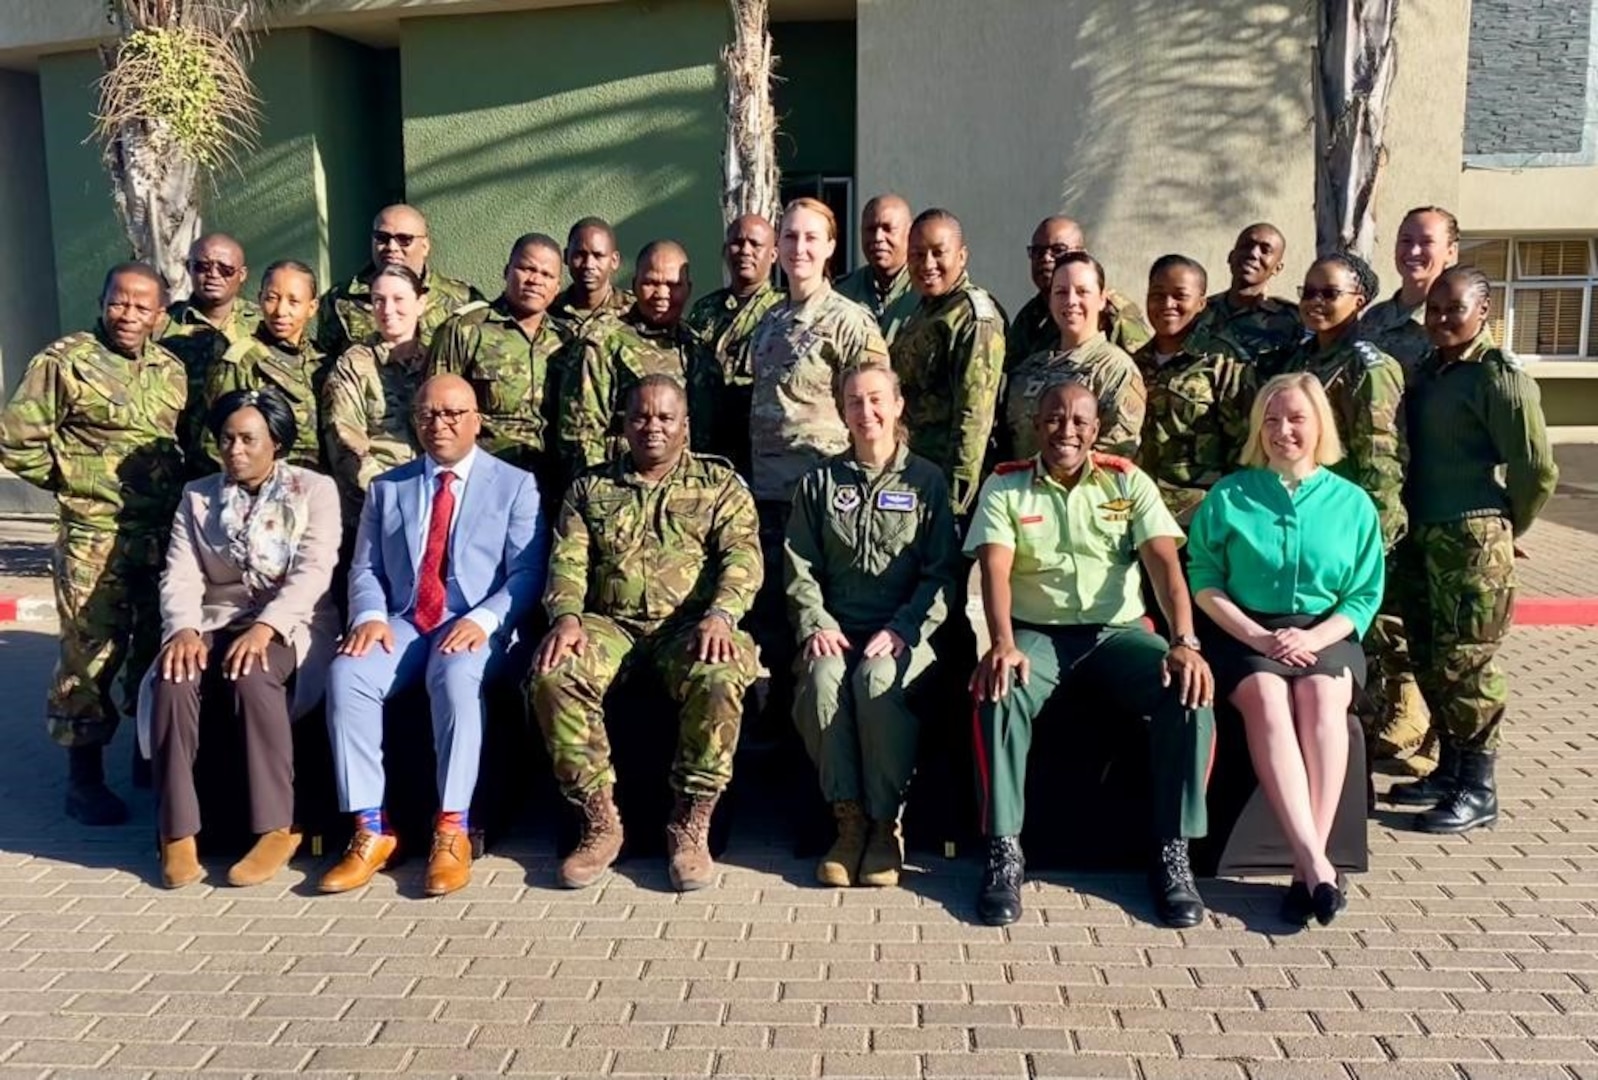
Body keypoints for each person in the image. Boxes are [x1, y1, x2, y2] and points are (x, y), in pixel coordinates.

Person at [967, 381, 1215, 928]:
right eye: (1054, 419)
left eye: (1079, 421)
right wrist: (1002, 643)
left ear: (1097, 429)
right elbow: (996, 571)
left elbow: (1164, 565)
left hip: (1118, 634)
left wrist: (1184, 642)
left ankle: (1173, 855)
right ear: (1038, 425)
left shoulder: (1128, 480)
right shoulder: (1007, 485)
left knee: (1192, 694)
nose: (1067, 431)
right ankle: (1004, 852)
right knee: (997, 689)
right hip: (1038, 634)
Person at [528, 375, 762, 892]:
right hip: (610, 624)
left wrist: (723, 614)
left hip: (691, 626)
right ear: (624, 423)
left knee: (721, 673)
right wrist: (566, 615)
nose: (651, 427)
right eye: (640, 417)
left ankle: (691, 822)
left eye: (664, 418)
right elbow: (567, 562)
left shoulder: (719, 484)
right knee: (554, 673)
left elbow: (742, 557)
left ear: (685, 425)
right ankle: (599, 820)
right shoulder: (592, 487)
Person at [319, 374, 547, 897]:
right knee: (348, 673)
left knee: (455, 671)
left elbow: (527, 573)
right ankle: (370, 828)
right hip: (407, 620)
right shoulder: (388, 487)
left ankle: (452, 829)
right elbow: (365, 568)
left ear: (476, 421)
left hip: (478, 623)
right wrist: (370, 616)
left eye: (451, 414)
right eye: (427, 414)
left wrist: (484, 620)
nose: (438, 424)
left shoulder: (514, 484)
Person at [1188, 373, 1385, 925]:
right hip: (1245, 633)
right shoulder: (1230, 496)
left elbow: (1364, 593)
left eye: (1296, 418)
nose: (1283, 431)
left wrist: (1314, 637)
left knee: (1322, 699)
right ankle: (1319, 866)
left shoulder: (1353, 504)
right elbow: (1204, 578)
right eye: (1271, 420)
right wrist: (1257, 636)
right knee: (1270, 701)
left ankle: (1308, 866)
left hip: (1327, 633)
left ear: (1318, 424)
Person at [0, 262, 187, 826]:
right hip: (93, 537)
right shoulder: (65, 361)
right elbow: (17, 441)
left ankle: (145, 761)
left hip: (157, 535)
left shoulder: (171, 369)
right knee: (91, 655)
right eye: (118, 302)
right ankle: (84, 780)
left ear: (160, 314)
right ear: (103, 301)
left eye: (141, 306)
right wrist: (77, 481)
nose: (128, 314)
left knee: (154, 650)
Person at [147, 388, 341, 889]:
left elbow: (314, 571)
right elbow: (181, 574)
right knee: (174, 676)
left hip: (292, 621)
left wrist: (266, 627)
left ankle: (276, 827)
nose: (235, 451)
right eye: (226, 440)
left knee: (252, 671)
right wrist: (184, 629)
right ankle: (178, 832)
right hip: (216, 617)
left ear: (276, 441)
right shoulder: (198, 495)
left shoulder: (314, 490)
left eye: (248, 440)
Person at [1387, 267, 1557, 834]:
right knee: (1431, 655)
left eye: (1452, 309)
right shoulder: (1430, 371)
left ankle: (1479, 789)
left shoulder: (1497, 377)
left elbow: (1536, 468)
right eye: (1433, 309)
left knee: (1468, 664)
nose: (1439, 319)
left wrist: (1507, 526)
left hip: (1472, 537)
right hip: (1422, 536)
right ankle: (1450, 768)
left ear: (1483, 311)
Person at [785, 363, 959, 887]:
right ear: (842, 410)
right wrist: (814, 621)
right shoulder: (820, 482)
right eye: (856, 402)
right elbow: (799, 565)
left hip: (902, 631)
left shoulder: (926, 481)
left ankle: (886, 825)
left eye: (877, 400)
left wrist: (905, 627)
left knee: (876, 680)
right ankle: (849, 823)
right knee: (823, 681)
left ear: (898, 405)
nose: (867, 412)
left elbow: (941, 574)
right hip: (836, 628)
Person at [747, 197, 890, 737]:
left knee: (823, 633)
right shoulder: (769, 322)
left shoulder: (851, 324)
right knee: (777, 631)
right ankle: (785, 743)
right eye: (790, 237)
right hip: (768, 501)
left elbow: (875, 411)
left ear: (831, 247)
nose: (799, 248)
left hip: (825, 504)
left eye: (811, 238)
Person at [1273, 253, 1411, 779]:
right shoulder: (1307, 357)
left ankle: (1378, 758)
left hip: (1351, 528)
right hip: (1310, 524)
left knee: (1368, 645)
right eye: (1308, 291)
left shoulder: (1368, 368)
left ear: (1361, 300)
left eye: (1329, 293)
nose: (1314, 301)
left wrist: (1374, 535)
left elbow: (1381, 461)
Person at [429, 233, 573, 498]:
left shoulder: (568, 340)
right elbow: (436, 409)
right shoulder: (466, 330)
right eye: (527, 269)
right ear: (507, 271)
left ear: (557, 286)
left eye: (546, 274)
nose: (535, 280)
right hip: (485, 480)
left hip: (551, 482)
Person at [559, 240, 721, 474]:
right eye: (651, 283)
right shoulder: (604, 342)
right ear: (634, 285)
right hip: (624, 489)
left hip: (690, 495)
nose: (662, 294)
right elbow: (581, 435)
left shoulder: (697, 348)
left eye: (674, 284)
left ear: (689, 288)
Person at [889, 208, 1007, 517]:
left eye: (938, 253)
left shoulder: (972, 317)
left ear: (962, 256)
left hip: (946, 486)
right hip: (914, 474)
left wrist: (954, 504)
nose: (927, 264)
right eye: (917, 254)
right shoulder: (923, 310)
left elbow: (974, 417)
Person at [1134, 255, 1254, 525]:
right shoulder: (1135, 362)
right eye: (1157, 294)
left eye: (1180, 296)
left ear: (1201, 303)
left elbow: (1244, 444)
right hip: (1143, 511)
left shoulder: (1222, 360)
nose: (1167, 304)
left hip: (1203, 514)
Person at [1000, 252, 1146, 460]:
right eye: (1060, 292)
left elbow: (1115, 453)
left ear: (1102, 300)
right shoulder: (1028, 369)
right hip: (1019, 488)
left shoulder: (1115, 369)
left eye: (1082, 292)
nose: (1071, 301)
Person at [322, 265, 429, 532]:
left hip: (437, 499)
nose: (388, 309)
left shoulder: (440, 356)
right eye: (378, 300)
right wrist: (392, 497)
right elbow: (345, 441)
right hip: (378, 507)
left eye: (399, 299)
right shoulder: (354, 364)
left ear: (421, 303)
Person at [316, 203, 482, 358]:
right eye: (382, 238)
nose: (392, 247)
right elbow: (326, 365)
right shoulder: (340, 300)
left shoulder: (463, 299)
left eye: (404, 239)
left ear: (425, 246)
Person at [205, 260, 327, 470]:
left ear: (312, 307)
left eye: (294, 301)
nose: (280, 311)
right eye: (271, 298)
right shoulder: (242, 360)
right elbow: (216, 443)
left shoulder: (323, 361)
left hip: (317, 487)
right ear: (259, 299)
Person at [684, 214, 780, 470]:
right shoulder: (704, 310)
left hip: (756, 453)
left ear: (773, 254)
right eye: (737, 243)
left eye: (755, 244)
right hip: (704, 450)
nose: (745, 251)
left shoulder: (782, 312)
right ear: (725, 251)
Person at [160, 234, 260, 467]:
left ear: (242, 275)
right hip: (185, 465)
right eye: (202, 266)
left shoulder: (262, 324)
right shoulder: (163, 327)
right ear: (188, 268)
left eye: (225, 269)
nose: (213, 274)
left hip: (251, 462)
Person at [1005, 216, 1150, 366]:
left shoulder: (1112, 311)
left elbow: (1142, 373)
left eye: (1058, 250)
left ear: (1083, 255)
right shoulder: (1031, 315)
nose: (1046, 258)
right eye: (1037, 251)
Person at [1362, 206, 1460, 376]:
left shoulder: (1455, 321)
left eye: (1426, 242)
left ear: (1451, 252)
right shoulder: (1373, 317)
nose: (1413, 251)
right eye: (1406, 241)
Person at [1199, 223, 1302, 357]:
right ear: (1231, 256)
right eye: (1246, 246)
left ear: (1277, 268)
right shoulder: (1199, 311)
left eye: (1265, 250)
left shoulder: (1293, 320)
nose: (1253, 253)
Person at [834, 194, 920, 343]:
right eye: (870, 229)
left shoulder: (925, 291)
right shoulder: (842, 292)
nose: (878, 237)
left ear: (910, 233)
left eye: (888, 229)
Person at [552, 217, 635, 334]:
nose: (589, 265)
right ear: (566, 257)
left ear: (614, 261)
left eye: (598, 256)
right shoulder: (548, 311)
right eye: (580, 255)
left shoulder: (635, 310)